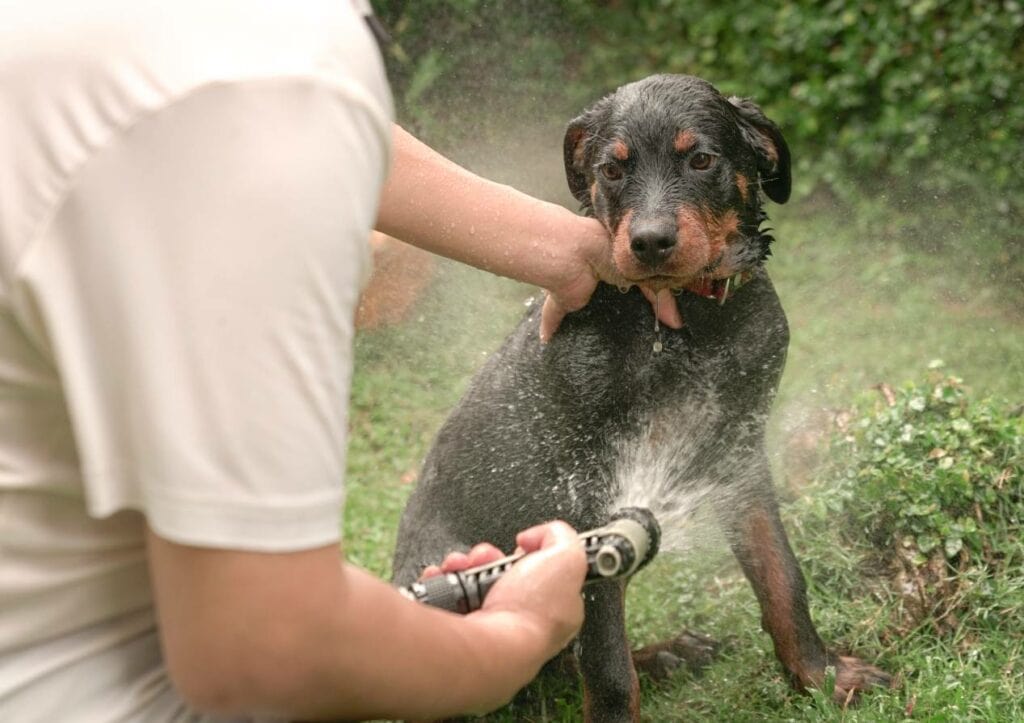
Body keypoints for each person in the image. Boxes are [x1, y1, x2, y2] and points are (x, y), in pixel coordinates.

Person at [0, 2, 680, 720]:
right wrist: (519, 632)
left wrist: (557, 246)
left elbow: (299, 118)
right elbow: (265, 645)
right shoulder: (268, 73)